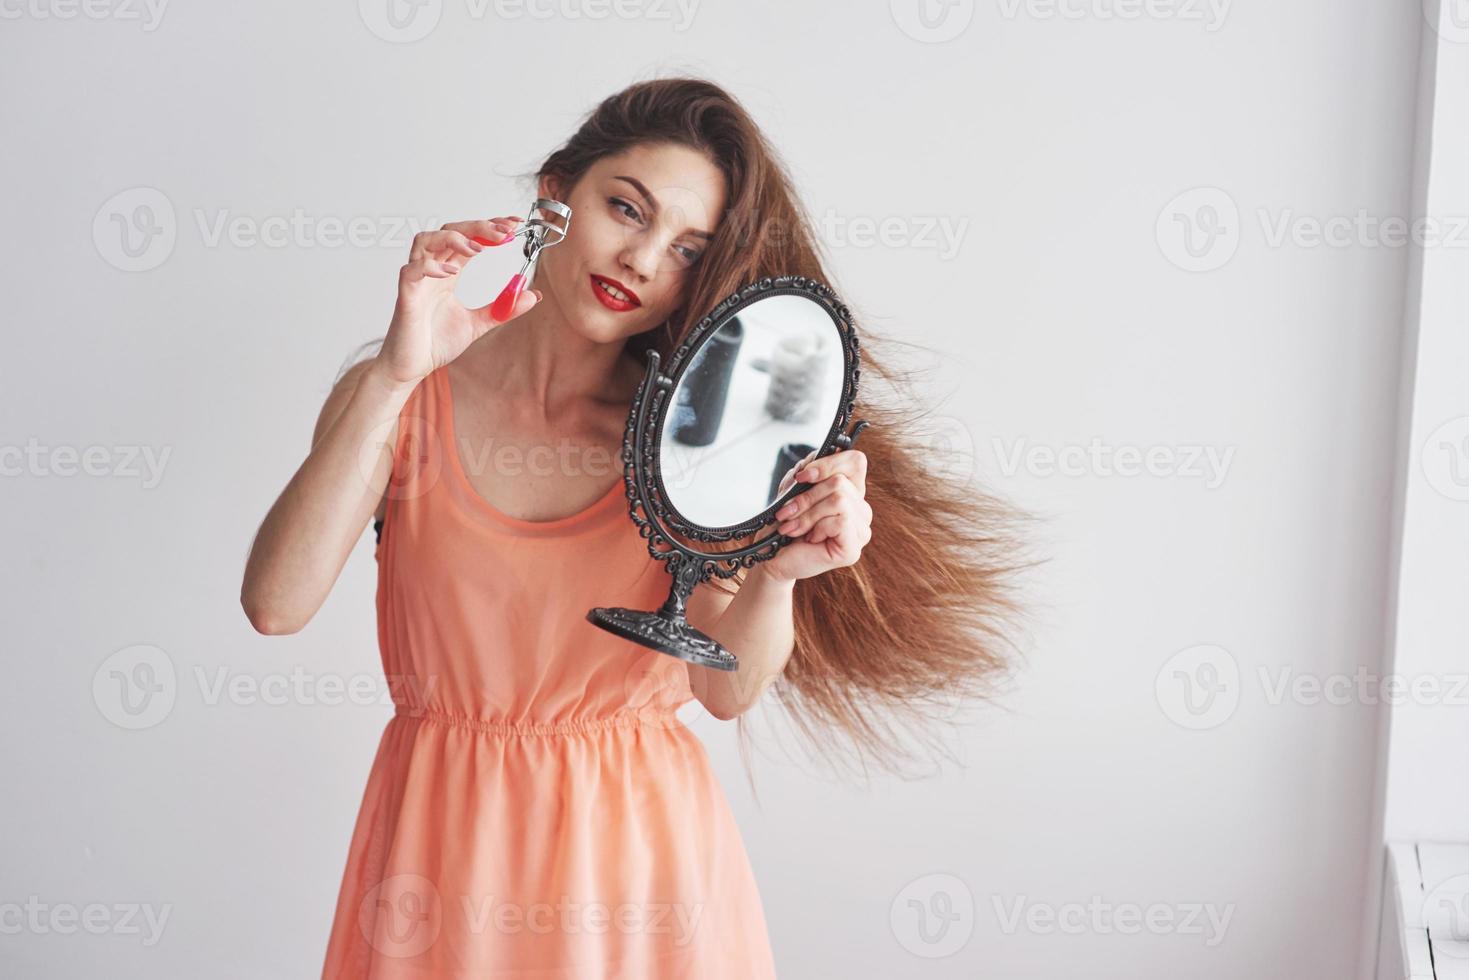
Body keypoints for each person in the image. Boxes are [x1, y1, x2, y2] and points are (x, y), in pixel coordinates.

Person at [240, 75, 1028, 979]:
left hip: (639, 869)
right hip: (440, 851)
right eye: (626, 209)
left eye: (688, 251)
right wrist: (393, 371)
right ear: (553, 196)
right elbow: (275, 604)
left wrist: (779, 573)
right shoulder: (399, 402)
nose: (644, 260)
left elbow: (726, 692)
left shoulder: (698, 442)